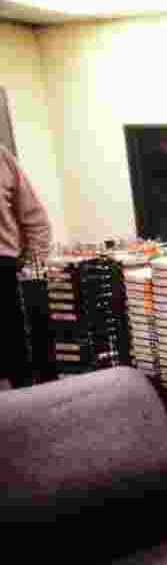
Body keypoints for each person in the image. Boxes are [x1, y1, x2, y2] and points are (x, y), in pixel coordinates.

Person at [0, 143, 52, 390]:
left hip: (3, 269)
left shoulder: (1, 157)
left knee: (16, 359)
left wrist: (32, 264)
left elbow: (35, 218)